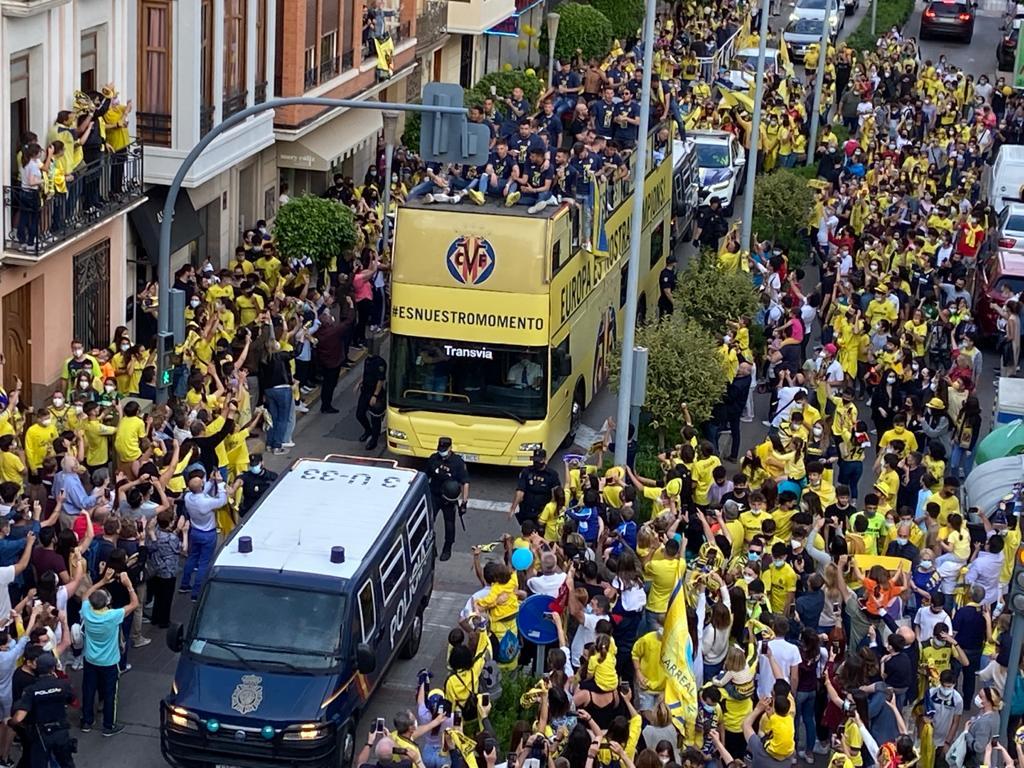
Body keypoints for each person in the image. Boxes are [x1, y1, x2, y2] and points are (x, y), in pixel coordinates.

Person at [80, 568, 139, 736]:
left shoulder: (87, 611)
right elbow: (134, 604)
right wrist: (129, 585)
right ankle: (108, 725)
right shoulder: (113, 615)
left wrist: (102, 581)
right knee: (110, 693)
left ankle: (86, 721)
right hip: (109, 662)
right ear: (107, 603)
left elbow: (85, 595)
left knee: (88, 690)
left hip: (90, 659)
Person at [8, 653, 75, 768]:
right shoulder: (63, 685)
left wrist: (10, 722)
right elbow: (71, 699)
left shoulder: (31, 690)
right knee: (66, 763)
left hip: (40, 735)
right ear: (53, 668)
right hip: (61, 732)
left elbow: (19, 717)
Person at [179, 469, 227, 600]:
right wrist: (220, 483)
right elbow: (222, 501)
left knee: (192, 557)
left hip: (195, 531)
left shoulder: (188, 497)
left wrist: (211, 481)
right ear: (201, 485)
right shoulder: (206, 502)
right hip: (208, 534)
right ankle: (196, 592)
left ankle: (184, 584)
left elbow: (200, 492)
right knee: (204, 563)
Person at [425, 438, 469, 561]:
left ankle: (447, 548)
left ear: (450, 448)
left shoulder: (457, 462)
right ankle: (431, 546)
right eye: (440, 449)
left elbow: (465, 482)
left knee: (449, 525)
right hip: (434, 495)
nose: (442, 451)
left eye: (444, 449)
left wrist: (464, 502)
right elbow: (425, 475)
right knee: (428, 523)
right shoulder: (433, 458)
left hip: (449, 499)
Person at [508, 449, 560, 525]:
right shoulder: (526, 471)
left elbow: (556, 494)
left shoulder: (552, 475)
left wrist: (551, 510)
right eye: (535, 460)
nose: (537, 462)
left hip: (542, 512)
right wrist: (513, 508)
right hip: (526, 510)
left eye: (539, 460)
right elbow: (520, 491)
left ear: (545, 460)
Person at [355, 341, 387, 450]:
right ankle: (368, 430)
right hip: (365, 391)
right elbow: (366, 374)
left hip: (375, 393)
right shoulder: (367, 360)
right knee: (359, 414)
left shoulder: (380, 363)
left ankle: (374, 439)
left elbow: (380, 380)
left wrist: (375, 395)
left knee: (375, 418)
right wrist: (359, 383)